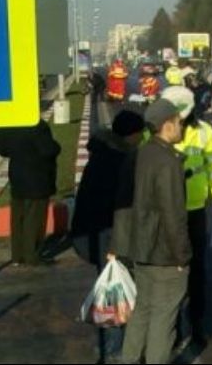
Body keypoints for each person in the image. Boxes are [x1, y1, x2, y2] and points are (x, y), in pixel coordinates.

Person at [110, 92, 195, 365]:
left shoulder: (138, 154)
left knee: (142, 310)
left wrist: (119, 246)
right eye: (179, 122)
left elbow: (122, 204)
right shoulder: (168, 161)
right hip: (165, 253)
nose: (181, 127)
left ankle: (130, 359)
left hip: (141, 249)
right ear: (168, 124)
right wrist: (182, 256)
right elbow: (174, 215)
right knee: (163, 318)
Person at [70, 110, 144, 362]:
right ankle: (113, 350)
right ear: (132, 134)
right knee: (115, 290)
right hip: (107, 233)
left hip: (93, 230)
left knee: (112, 288)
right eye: (140, 133)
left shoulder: (102, 154)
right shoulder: (117, 160)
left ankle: (107, 347)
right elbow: (118, 202)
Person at [161, 86, 212, 348]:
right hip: (166, 211)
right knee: (169, 271)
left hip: (194, 209)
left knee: (196, 271)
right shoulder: (156, 129)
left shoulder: (203, 131)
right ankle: (173, 327)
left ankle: (196, 324)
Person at [0, 120, 61, 267]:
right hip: (38, 176)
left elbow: (1, 149)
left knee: (18, 216)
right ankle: (33, 255)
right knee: (35, 217)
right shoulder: (37, 125)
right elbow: (47, 149)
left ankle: (17, 255)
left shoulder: (6, 123)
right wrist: (57, 147)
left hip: (17, 174)